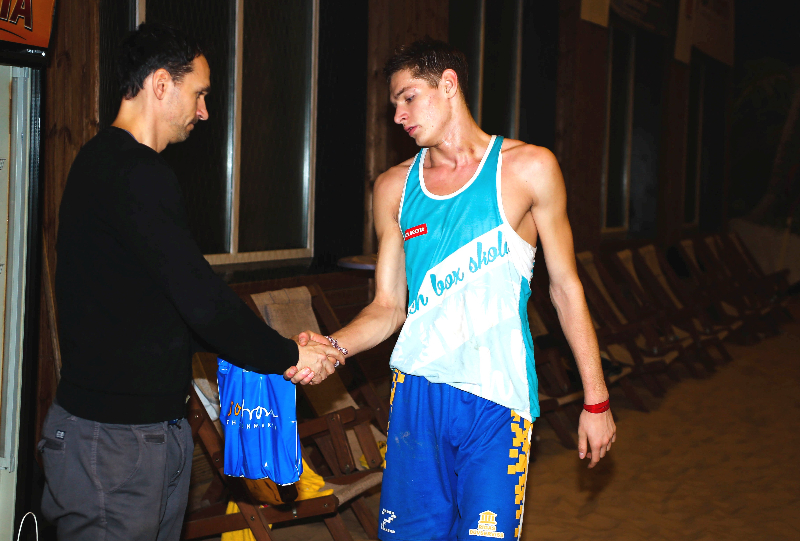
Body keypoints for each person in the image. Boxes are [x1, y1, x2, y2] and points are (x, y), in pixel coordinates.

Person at [304, 38, 617, 541]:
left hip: (498, 399)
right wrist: (331, 348)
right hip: (417, 396)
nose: (398, 116)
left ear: (448, 85)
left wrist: (595, 400)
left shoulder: (529, 168)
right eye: (394, 105)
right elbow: (388, 307)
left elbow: (565, 288)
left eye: (408, 98)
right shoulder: (393, 187)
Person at [39, 23, 340, 541]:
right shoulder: (132, 171)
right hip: (114, 443)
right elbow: (201, 299)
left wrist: (280, 348)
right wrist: (289, 354)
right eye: (199, 93)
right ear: (161, 84)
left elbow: (168, 306)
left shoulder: (109, 164)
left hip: (147, 433)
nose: (204, 112)